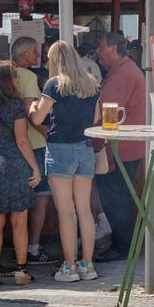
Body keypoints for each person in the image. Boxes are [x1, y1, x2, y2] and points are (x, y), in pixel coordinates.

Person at [31, 41, 102, 282]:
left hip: (60, 149)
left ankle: (69, 267)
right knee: (85, 211)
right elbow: (96, 117)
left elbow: (38, 118)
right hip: (85, 148)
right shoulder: (91, 83)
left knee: (66, 213)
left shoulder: (54, 84)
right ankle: (87, 266)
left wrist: (32, 108)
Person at [0, 61, 41, 285]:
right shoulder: (16, 105)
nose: (17, 79)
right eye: (14, 75)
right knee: (19, 221)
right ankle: (21, 271)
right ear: (6, 80)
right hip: (16, 163)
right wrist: (35, 167)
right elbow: (22, 140)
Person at [93, 32, 149, 260]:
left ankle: (123, 247)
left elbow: (106, 113)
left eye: (101, 46)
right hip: (127, 146)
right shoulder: (126, 70)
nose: (98, 51)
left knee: (116, 198)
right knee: (120, 196)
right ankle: (126, 244)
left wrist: (95, 141)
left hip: (119, 148)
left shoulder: (121, 75)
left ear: (113, 47)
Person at [10, 37, 55, 265]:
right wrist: (47, 132)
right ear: (24, 54)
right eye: (34, 52)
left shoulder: (5, 75)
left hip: (12, 143)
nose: (38, 56)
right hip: (34, 143)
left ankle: (18, 248)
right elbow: (31, 112)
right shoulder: (27, 76)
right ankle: (33, 248)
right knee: (41, 197)